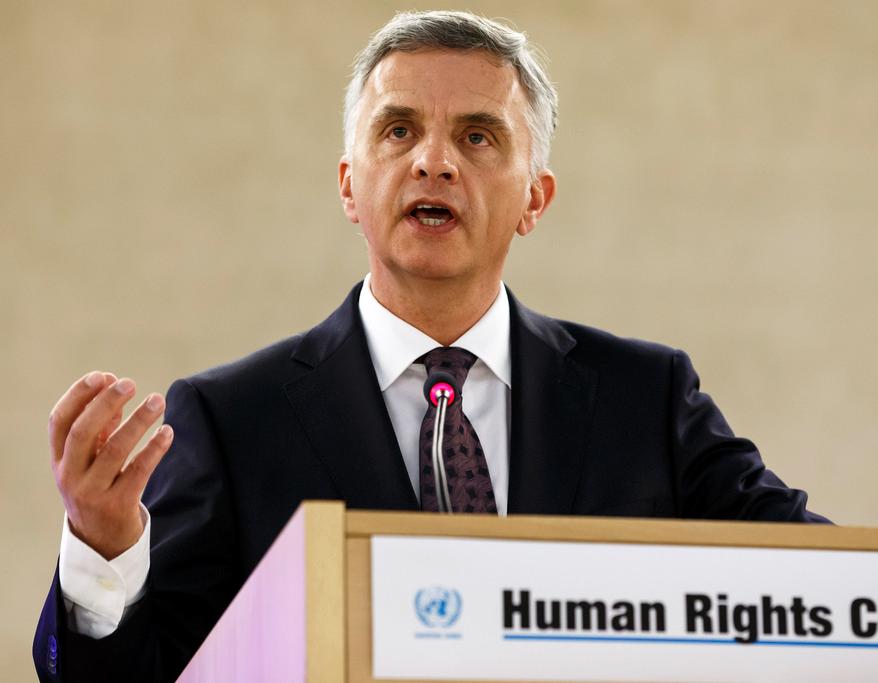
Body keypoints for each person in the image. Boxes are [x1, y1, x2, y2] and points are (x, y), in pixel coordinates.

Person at [33, 10, 828, 682]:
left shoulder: (646, 399)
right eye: (399, 130)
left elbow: (830, 590)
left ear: (535, 198)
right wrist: (103, 549)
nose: (434, 162)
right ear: (349, 185)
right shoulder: (230, 418)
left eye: (478, 136)